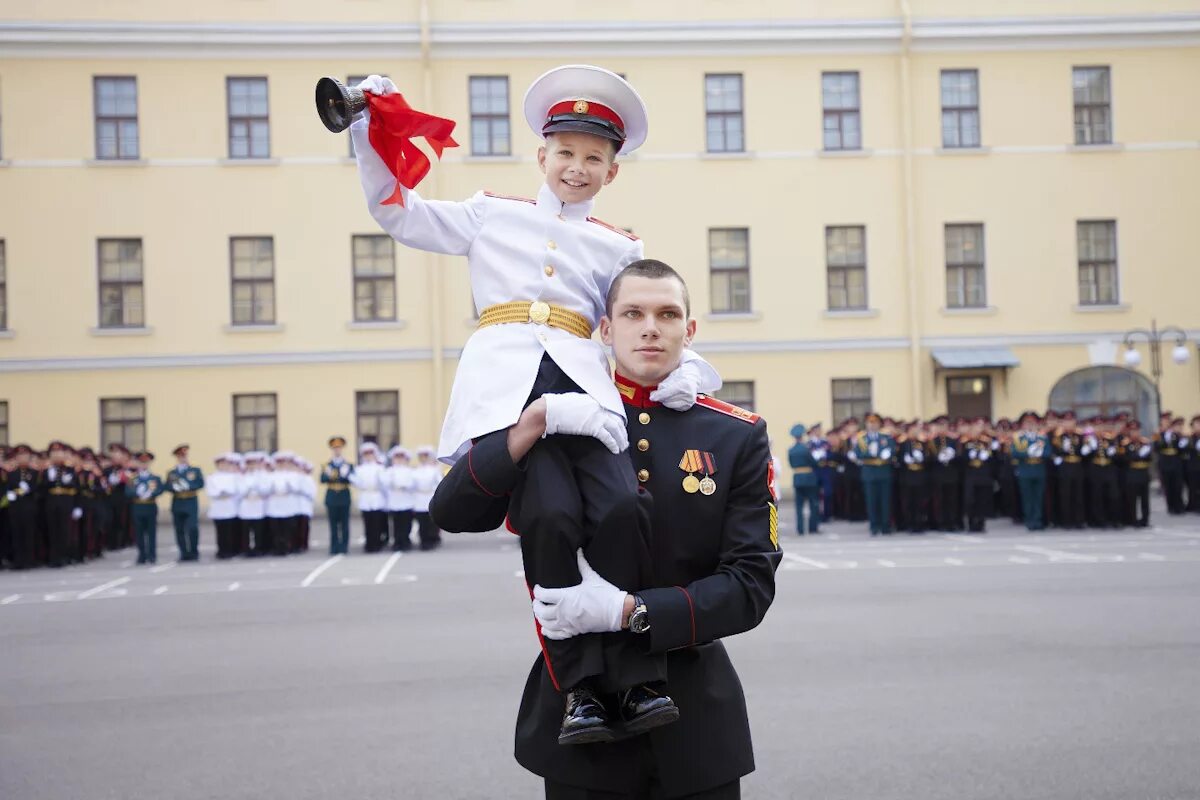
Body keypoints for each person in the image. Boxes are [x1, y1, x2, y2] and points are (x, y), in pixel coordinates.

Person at [353, 65, 722, 742]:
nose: (576, 169)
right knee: (550, 516)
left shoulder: (620, 245)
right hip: (508, 392)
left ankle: (639, 679)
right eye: (566, 155)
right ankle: (581, 688)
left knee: (622, 509)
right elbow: (395, 212)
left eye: (593, 159)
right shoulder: (490, 213)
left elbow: (641, 313)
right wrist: (362, 131)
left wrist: (686, 370)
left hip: (584, 390)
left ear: (611, 172)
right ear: (541, 156)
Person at [431, 260, 780, 798]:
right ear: (605, 328)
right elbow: (454, 512)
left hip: (695, 724)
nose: (650, 327)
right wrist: (530, 425)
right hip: (579, 725)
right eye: (633, 312)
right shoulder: (566, 416)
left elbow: (750, 584)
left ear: (689, 330)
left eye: (668, 314)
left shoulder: (736, 435)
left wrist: (631, 612)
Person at [851, 412, 894, 535]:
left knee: (885, 501)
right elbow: (857, 454)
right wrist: (870, 454)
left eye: (874, 422)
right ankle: (874, 526)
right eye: (870, 422)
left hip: (883, 471)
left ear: (879, 424)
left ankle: (885, 525)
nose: (872, 425)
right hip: (869, 472)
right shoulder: (862, 439)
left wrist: (887, 454)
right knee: (871, 501)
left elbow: (891, 450)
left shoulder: (886, 437)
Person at [166, 444, 205, 561]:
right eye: (180, 456)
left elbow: (200, 483)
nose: (182, 458)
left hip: (190, 501)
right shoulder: (172, 473)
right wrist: (175, 487)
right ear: (177, 457)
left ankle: (194, 551)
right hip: (177, 501)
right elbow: (167, 486)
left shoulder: (194, 470)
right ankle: (184, 552)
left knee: (192, 527)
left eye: (184, 456)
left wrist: (189, 486)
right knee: (179, 529)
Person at [1012, 411, 1048, 531]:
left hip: (1039, 470)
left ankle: (1038, 520)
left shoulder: (1042, 437)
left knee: (1038, 497)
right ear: (1022, 425)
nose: (1030, 425)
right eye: (1027, 422)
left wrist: (1040, 453)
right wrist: (1028, 453)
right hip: (1025, 470)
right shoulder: (1018, 438)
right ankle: (1029, 520)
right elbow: (1014, 453)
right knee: (1027, 498)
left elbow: (1048, 452)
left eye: (1033, 422)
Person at [127, 451, 164, 565]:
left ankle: (152, 555)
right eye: (141, 462)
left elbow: (160, 489)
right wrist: (137, 493)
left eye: (146, 462)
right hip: (138, 506)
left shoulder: (154, 477)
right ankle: (142, 555)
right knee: (139, 532)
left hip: (150, 506)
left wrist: (151, 494)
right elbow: (128, 491)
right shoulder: (133, 478)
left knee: (151, 532)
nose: (144, 465)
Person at [322, 436, 354, 555]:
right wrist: (329, 475)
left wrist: (345, 476)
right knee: (333, 524)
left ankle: (344, 546)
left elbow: (352, 480)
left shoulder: (348, 465)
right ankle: (334, 546)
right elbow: (322, 479)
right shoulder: (327, 465)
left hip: (344, 497)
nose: (337, 450)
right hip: (332, 497)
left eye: (339, 448)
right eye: (335, 448)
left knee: (344, 524)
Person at [352, 441, 387, 552]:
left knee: (377, 522)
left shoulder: (379, 468)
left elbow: (384, 483)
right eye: (366, 454)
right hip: (366, 496)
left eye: (370, 453)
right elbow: (357, 482)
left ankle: (377, 543)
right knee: (367, 522)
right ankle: (369, 544)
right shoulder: (360, 469)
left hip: (376, 496)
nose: (368, 456)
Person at [207, 453, 243, 559]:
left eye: (225, 464)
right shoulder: (212, 477)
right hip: (218, 506)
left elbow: (238, 491)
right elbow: (210, 491)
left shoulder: (234, 477)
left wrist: (229, 493)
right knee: (220, 531)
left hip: (230, 506)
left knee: (231, 531)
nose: (223, 466)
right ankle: (221, 550)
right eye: (221, 464)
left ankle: (231, 550)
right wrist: (220, 493)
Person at [787, 424, 820, 535]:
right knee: (813, 504)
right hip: (809, 478)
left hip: (797, 478)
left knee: (799, 506)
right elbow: (814, 463)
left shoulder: (791, 450)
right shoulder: (806, 449)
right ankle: (813, 528)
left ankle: (800, 529)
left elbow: (791, 465)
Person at [1121, 421, 1153, 527]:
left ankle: (1145, 519)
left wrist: (1144, 454)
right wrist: (1139, 455)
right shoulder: (1126, 444)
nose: (1135, 433)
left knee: (1145, 499)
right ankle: (1133, 520)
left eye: (1137, 430)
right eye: (1133, 431)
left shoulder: (1145, 442)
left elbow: (1150, 458)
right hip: (1132, 473)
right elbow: (1125, 459)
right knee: (1132, 499)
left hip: (1143, 472)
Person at [411, 445, 443, 551]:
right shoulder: (416, 470)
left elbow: (439, 483)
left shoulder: (434, 470)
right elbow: (412, 484)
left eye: (425, 456)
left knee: (431, 521)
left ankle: (431, 540)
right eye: (421, 456)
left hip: (430, 496)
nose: (423, 458)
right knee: (421, 522)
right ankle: (423, 541)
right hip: (419, 498)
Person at [384, 445, 415, 552]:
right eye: (397, 457)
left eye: (401, 457)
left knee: (406, 523)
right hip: (395, 500)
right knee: (396, 523)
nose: (399, 460)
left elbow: (413, 484)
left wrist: (405, 486)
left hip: (406, 499)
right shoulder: (389, 471)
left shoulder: (409, 471)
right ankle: (397, 542)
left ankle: (406, 541)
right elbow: (385, 484)